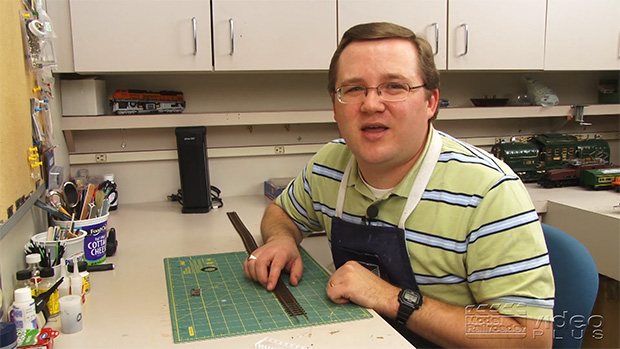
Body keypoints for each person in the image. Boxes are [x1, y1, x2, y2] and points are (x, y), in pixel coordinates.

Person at [243, 22, 554, 348]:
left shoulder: (489, 191)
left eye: (394, 86)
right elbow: (282, 212)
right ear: (335, 107)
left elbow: (530, 337)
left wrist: (393, 298)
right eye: (353, 89)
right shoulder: (329, 165)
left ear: (431, 102)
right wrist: (282, 239)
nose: (371, 104)